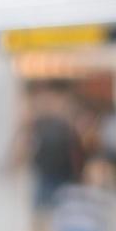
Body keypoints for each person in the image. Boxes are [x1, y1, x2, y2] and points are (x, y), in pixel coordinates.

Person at [23, 87, 83, 219]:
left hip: (63, 172)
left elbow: (75, 148)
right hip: (46, 171)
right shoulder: (40, 123)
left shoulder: (66, 125)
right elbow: (30, 144)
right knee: (41, 208)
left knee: (63, 207)